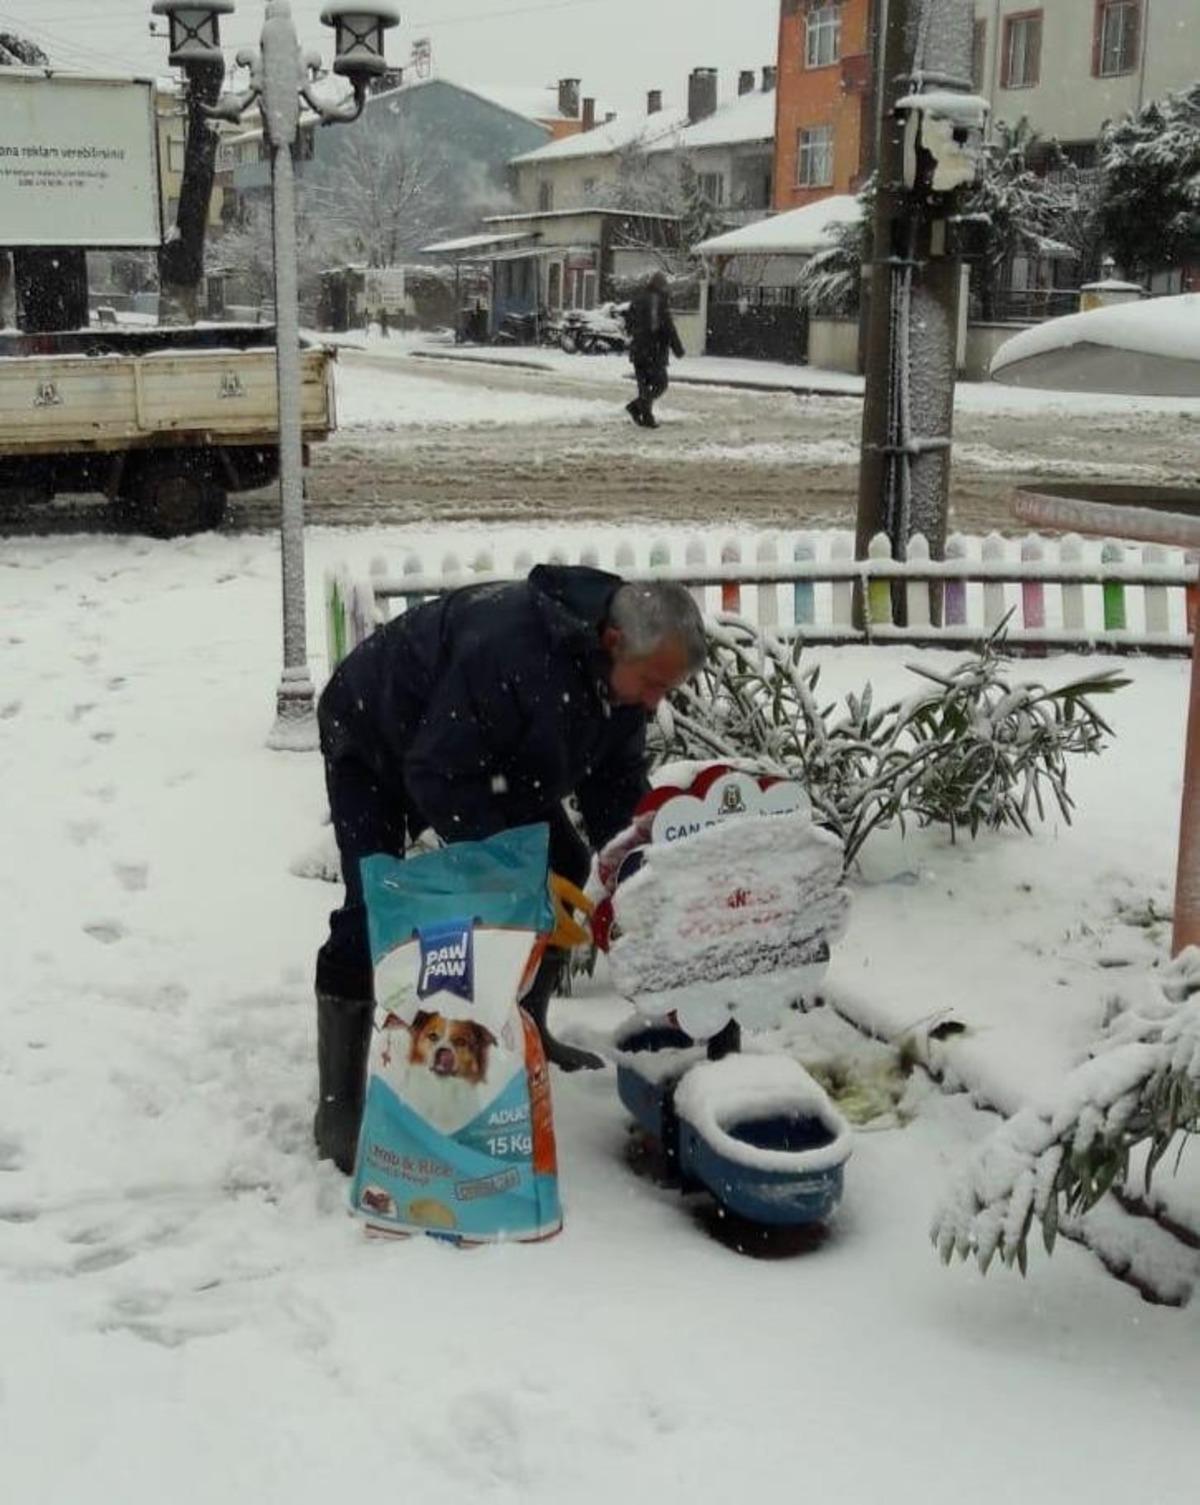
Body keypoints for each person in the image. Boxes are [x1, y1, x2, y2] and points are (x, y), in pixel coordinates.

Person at [313, 564, 707, 1173]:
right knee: (374, 905)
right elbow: (437, 775)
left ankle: (533, 1029)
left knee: (569, 866)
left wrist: (642, 870)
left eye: (667, 689)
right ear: (612, 643)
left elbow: (616, 789)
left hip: (489, 756)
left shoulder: (622, 677)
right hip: (377, 738)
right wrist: (512, 875)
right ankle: (339, 1103)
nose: (658, 701)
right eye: (655, 683)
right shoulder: (510, 650)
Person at [625, 269, 685, 429]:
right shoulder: (659, 302)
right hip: (654, 350)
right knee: (661, 384)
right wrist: (677, 348)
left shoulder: (638, 299)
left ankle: (645, 415)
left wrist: (637, 336)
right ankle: (637, 408)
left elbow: (628, 323)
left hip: (638, 350)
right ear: (661, 286)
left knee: (644, 385)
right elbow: (667, 327)